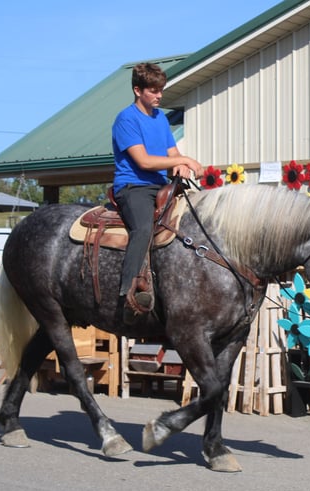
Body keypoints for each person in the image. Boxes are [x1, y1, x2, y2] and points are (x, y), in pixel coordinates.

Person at [112, 62, 203, 320]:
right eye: (153, 91)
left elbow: (172, 153)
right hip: (133, 187)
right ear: (137, 90)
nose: (159, 95)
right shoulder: (126, 119)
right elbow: (143, 161)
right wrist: (182, 161)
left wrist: (180, 165)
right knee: (142, 229)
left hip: (161, 185)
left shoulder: (160, 118)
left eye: (161, 90)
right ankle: (128, 293)